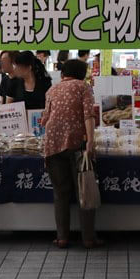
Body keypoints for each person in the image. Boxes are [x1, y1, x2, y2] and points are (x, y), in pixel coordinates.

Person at [40, 59, 101, 249]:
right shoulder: (84, 87)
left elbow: (45, 119)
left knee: (60, 193)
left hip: (52, 145)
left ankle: (62, 238)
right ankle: (88, 239)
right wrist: (91, 140)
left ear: (63, 73)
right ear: (82, 74)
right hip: (77, 144)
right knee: (84, 190)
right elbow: (88, 115)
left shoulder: (52, 90)